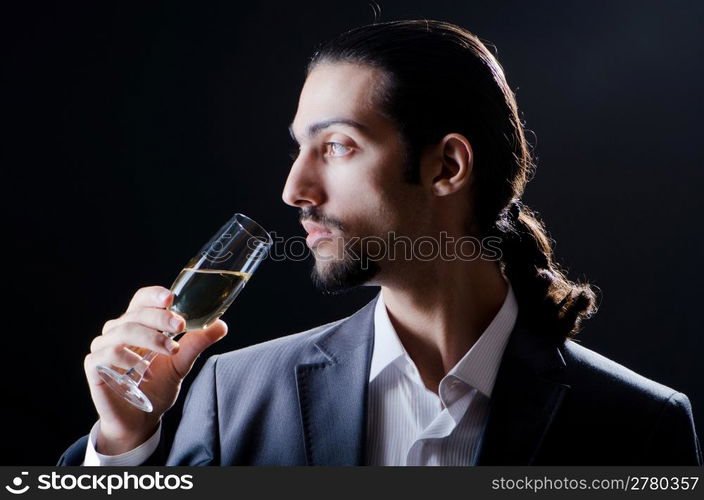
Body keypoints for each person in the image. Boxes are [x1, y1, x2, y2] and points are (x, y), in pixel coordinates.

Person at [58, 19, 702, 466]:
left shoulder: (638, 426)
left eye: (336, 146)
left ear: (446, 167)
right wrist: (122, 440)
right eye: (299, 147)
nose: (294, 188)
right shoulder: (236, 394)